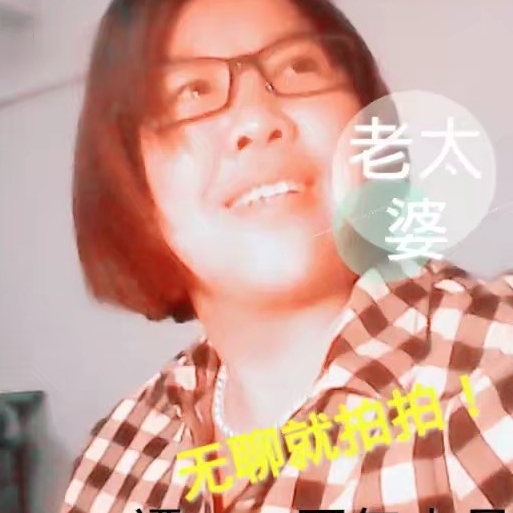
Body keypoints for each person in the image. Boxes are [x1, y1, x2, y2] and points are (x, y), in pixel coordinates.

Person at [60, 0, 513, 511]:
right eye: (192, 91)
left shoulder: (495, 367)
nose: (257, 119)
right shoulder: (115, 456)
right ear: (132, 184)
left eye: (298, 66)